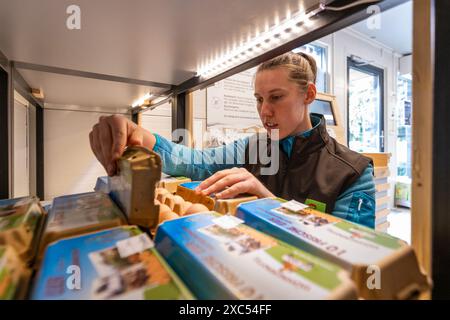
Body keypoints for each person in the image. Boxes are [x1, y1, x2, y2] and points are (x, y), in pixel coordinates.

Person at [89, 52, 376, 228]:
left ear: (309, 95)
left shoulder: (353, 173)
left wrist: (269, 202)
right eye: (259, 99)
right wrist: (141, 136)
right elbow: (192, 162)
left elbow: (349, 261)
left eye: (276, 97)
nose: (265, 111)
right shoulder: (252, 148)